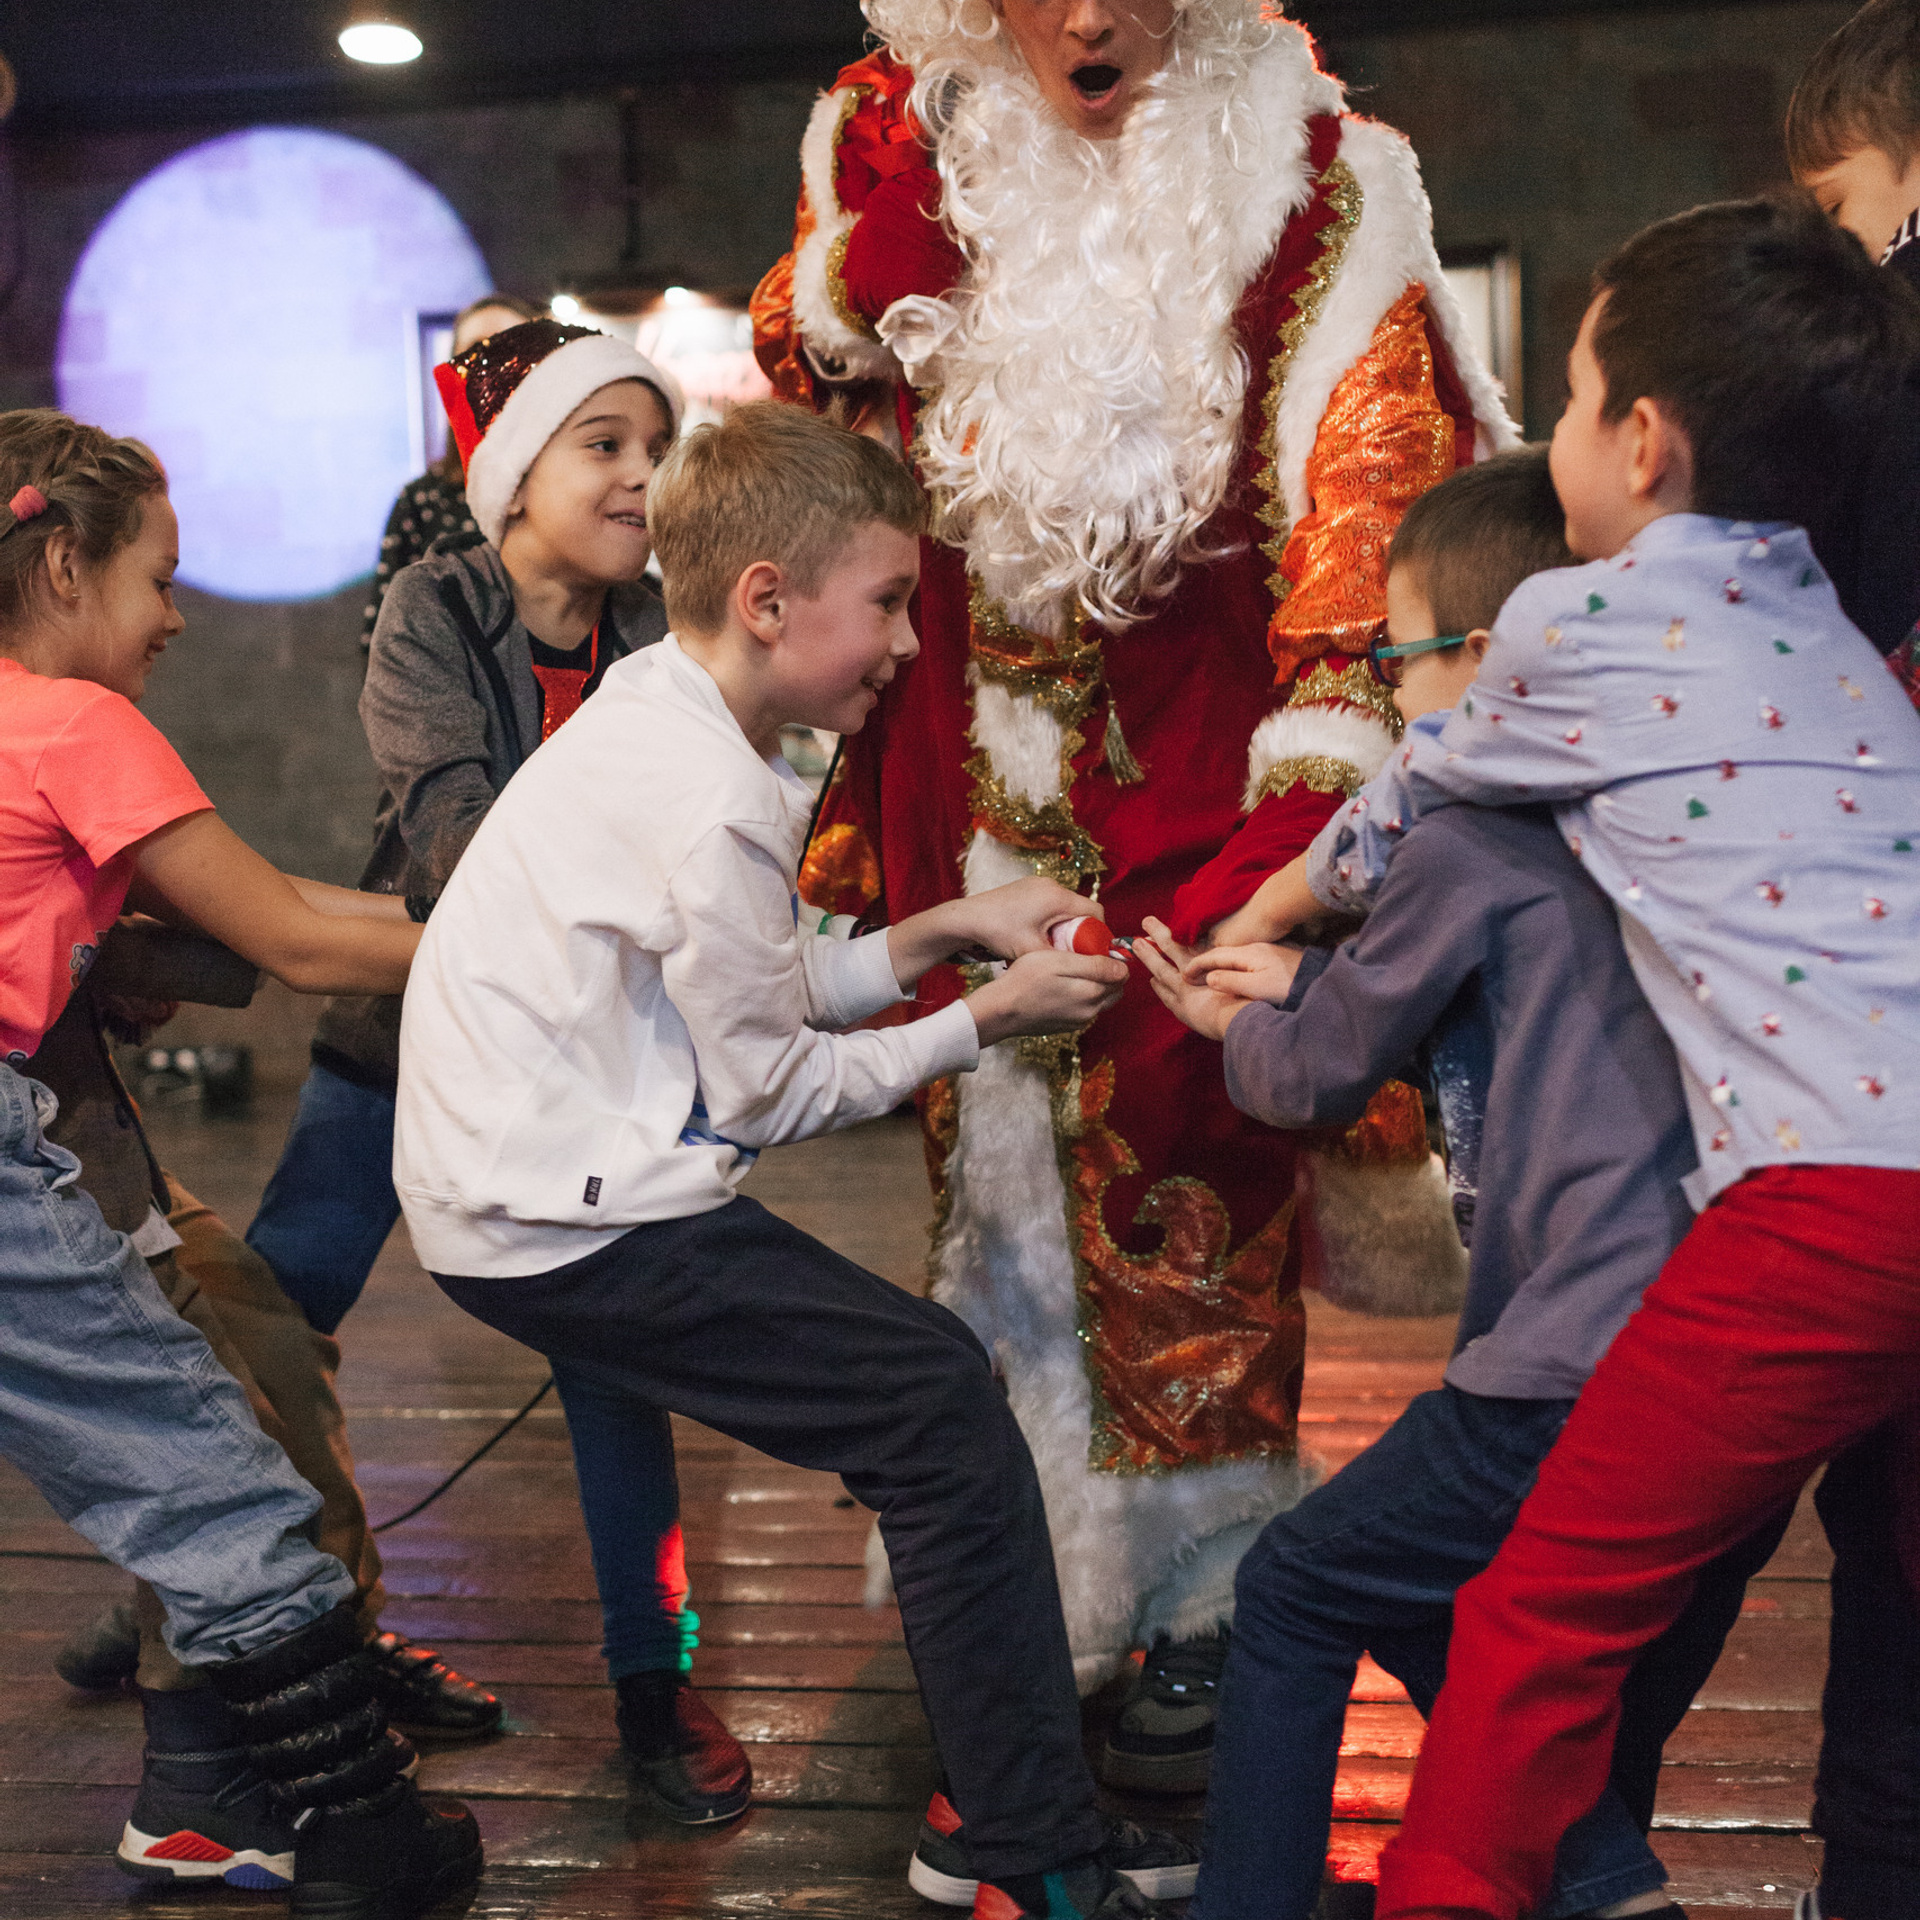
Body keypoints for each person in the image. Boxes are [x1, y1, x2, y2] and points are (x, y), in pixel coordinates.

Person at [751, 0, 1515, 1783]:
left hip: (1203, 806)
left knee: (1198, 1178)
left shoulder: (1328, 190)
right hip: (957, 795)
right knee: (988, 1204)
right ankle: (1012, 1581)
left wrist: (1293, 857)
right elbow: (811, 410)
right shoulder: (900, 143)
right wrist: (855, 269)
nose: (1090, 17)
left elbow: (1379, 537)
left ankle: (1198, 1605)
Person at [390, 399, 1205, 1919]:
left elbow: (750, 990)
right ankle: (1031, 1853)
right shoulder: (715, 798)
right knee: (937, 1409)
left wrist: (942, 935)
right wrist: (989, 1016)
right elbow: (767, 1090)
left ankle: (1011, 1820)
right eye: (888, 603)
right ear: (767, 600)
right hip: (552, 1210)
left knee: (924, 1404)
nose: (906, 643)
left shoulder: (662, 706)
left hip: (519, 1175)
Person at [1209, 195, 1920, 1920]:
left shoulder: (1573, 629)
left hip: (1828, 1212)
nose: (1566, 426)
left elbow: (1414, 794)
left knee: (1536, 1619)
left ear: (1644, 445)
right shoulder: (1844, 641)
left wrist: (1273, 913)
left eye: (1578, 393)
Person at [1139, 449, 1784, 1920]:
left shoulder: (1464, 834)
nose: (1387, 691)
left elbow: (1309, 1080)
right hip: (1733, 1335)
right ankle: (1605, 1879)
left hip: (1568, 1359)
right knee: (1505, 1634)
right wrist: (1314, 969)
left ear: (1484, 662)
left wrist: (1235, 1016)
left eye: (1395, 652)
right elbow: (1527, 994)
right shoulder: (1665, 799)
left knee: (1302, 1589)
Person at [243, 316, 752, 1818]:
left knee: (615, 1368)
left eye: (656, 450)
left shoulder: (661, 633)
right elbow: (460, 834)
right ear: (518, 467)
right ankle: (240, 1628)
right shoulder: (433, 608)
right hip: (405, 1037)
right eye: (605, 446)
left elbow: (719, 816)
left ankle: (653, 1686)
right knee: (271, 1321)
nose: (641, 480)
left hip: (584, 1064)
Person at [0, 407, 480, 1916]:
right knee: (220, 1494)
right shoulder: (71, 722)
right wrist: (537, 941)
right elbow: (289, 928)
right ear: (66, 565)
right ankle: (369, 1844)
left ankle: (211, 1802)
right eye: (159, 577)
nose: (178, 615)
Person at [359, 291, 541, 651]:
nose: (491, 362)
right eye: (476, 349)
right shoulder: (420, 502)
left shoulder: (568, 487)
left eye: (509, 347)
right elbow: (384, 642)